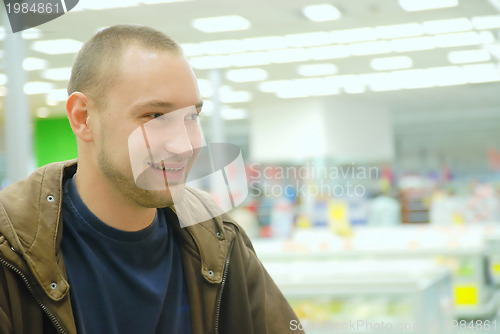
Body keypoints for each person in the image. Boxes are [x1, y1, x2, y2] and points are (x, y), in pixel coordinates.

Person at [0, 25, 303, 334]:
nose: (185, 145)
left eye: (192, 117)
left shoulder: (217, 237)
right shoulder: (11, 248)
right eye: (155, 116)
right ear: (83, 117)